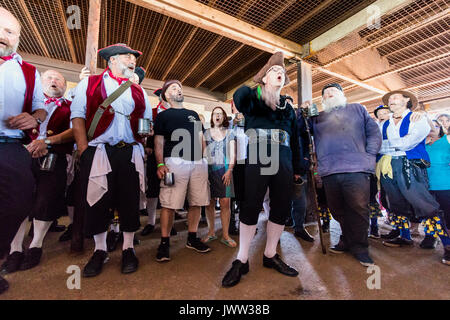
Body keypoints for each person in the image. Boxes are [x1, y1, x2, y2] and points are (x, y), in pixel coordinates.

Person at [71, 43, 152, 277]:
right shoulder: (89, 83)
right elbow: (77, 118)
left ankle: (128, 248)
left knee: (129, 200)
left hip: (130, 152)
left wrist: (144, 137)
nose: (132, 61)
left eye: (134, 58)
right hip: (99, 152)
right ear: (112, 60)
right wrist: (85, 151)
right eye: (127, 56)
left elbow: (146, 123)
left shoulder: (140, 91)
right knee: (97, 202)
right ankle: (100, 250)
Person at [222, 52, 302, 288]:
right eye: (274, 72)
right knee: (251, 205)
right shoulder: (253, 99)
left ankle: (269, 255)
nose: (280, 74)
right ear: (264, 79)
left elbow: (295, 138)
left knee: (280, 207)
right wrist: (260, 82)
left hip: (284, 158)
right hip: (257, 157)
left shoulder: (288, 106)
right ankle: (242, 259)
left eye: (282, 73)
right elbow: (239, 96)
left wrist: (298, 167)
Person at [302, 83, 382, 267]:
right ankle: (347, 239)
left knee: (358, 208)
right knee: (337, 209)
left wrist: (369, 155)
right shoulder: (317, 117)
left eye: (333, 91)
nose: (328, 93)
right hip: (329, 169)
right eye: (325, 93)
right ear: (321, 100)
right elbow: (303, 131)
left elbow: (374, 133)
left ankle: (361, 247)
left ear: (342, 94)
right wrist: (303, 113)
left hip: (356, 168)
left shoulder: (357, 109)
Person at [2, 70, 74, 273]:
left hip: (54, 156)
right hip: (22, 153)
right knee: (18, 199)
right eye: (49, 78)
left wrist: (47, 142)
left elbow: (75, 131)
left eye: (59, 79)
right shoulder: (27, 106)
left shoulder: (70, 107)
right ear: (39, 83)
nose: (54, 81)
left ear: (65, 86)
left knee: (46, 199)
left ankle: (36, 244)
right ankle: (15, 248)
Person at [0, 7, 47, 294]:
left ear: (18, 38)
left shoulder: (28, 71)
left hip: (11, 145)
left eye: (9, 31)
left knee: (18, 202)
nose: (2, 36)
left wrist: (35, 117)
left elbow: (40, 108)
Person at [377, 90, 450, 265]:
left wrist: (390, 146)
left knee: (425, 204)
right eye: (390, 99)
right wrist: (392, 146)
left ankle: (447, 245)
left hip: (410, 166)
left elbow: (408, 143)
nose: (391, 101)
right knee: (395, 203)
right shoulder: (384, 123)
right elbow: (378, 145)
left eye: (395, 98)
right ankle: (405, 236)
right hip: (389, 167)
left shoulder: (419, 119)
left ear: (407, 100)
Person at [154, 79, 211, 262]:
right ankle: (164, 242)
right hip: (175, 162)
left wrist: (204, 159)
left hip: (198, 163)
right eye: (173, 88)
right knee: (169, 204)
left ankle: (192, 238)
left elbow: (202, 139)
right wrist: (160, 164)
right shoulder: (163, 116)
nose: (178, 90)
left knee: (196, 202)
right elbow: (159, 142)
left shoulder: (194, 114)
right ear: (166, 95)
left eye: (179, 88)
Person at [202, 107, 237, 248]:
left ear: (224, 117)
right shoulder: (205, 133)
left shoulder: (230, 133)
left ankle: (225, 235)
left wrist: (229, 170)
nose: (217, 116)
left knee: (225, 203)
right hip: (209, 171)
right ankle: (211, 232)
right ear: (212, 117)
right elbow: (203, 154)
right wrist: (203, 173)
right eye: (215, 113)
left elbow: (233, 154)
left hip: (225, 171)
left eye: (220, 114)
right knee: (209, 202)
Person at [422, 119, 449, 253]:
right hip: (425, 186)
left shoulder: (447, 141)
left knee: (447, 216)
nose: (431, 128)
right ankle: (431, 236)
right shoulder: (420, 144)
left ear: (441, 128)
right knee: (431, 214)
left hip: (445, 185)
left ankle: (448, 245)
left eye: (435, 126)